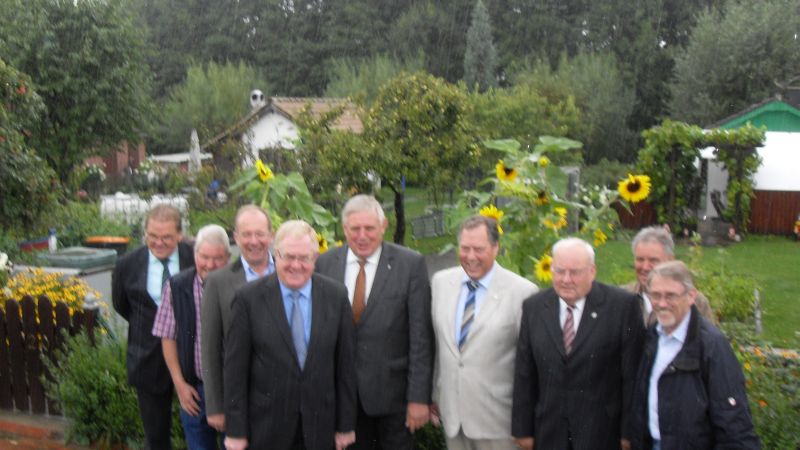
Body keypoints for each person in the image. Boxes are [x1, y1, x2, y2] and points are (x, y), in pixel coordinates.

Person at [223, 220, 357, 450]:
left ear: (315, 258)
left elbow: (345, 367)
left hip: (320, 428)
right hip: (267, 430)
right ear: (276, 255)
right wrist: (236, 431)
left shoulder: (336, 295)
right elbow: (235, 372)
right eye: (289, 257)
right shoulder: (248, 299)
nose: (296, 265)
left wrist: (345, 426)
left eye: (304, 258)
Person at [315, 194, 434, 449]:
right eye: (355, 229)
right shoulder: (324, 264)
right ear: (344, 229)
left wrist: (418, 398)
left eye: (369, 228)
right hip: (343, 402)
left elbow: (421, 338)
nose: (362, 235)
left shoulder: (410, 264)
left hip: (395, 402)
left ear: (383, 227)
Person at [512, 237, 645, 450]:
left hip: (602, 432)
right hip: (550, 431)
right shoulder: (534, 307)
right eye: (559, 271)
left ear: (592, 271)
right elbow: (524, 373)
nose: (566, 279)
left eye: (574, 272)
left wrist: (628, 433)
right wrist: (522, 429)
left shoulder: (622, 307)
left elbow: (633, 376)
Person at [430, 216, 539, 450]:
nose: (470, 257)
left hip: (499, 423)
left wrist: (527, 422)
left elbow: (531, 365)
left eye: (479, 249)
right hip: (453, 419)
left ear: (496, 247)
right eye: (465, 248)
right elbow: (435, 345)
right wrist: (434, 394)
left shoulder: (523, 292)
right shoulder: (440, 283)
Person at [630, 261, 759, 450]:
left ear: (691, 296)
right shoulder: (652, 337)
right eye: (655, 295)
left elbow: (733, 422)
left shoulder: (711, 346)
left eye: (671, 296)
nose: (662, 303)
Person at [112, 204, 194, 449]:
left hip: (191, 359)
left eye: (167, 237)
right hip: (147, 360)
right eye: (153, 236)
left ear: (179, 235)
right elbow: (122, 305)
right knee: (156, 437)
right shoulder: (127, 264)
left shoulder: (195, 258)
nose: (159, 242)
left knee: (199, 431)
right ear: (145, 233)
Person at [153, 224, 231, 449]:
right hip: (194, 391)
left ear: (227, 257)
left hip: (231, 391)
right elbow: (167, 337)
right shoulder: (177, 286)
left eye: (217, 258)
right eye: (204, 257)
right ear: (195, 254)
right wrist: (179, 384)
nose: (209, 264)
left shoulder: (237, 284)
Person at [201, 205, 275, 432]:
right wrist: (215, 407)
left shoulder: (289, 272)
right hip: (239, 400)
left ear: (271, 236)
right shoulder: (217, 282)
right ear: (236, 238)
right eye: (246, 234)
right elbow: (210, 347)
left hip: (284, 399)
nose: (254, 241)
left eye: (260, 233)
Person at [624, 226, 714, 325]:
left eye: (653, 260)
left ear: (671, 260)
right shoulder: (622, 298)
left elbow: (709, 338)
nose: (645, 267)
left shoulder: (695, 302)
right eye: (640, 259)